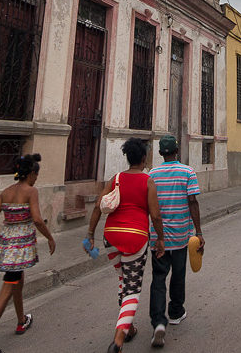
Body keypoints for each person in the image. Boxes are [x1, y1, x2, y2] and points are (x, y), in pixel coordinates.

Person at [86, 138, 165, 353]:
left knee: (123, 278)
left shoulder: (116, 178)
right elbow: (156, 216)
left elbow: (97, 206)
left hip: (110, 238)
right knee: (133, 287)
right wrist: (161, 239)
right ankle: (118, 339)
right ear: (142, 158)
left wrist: (90, 234)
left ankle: (128, 329)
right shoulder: (147, 182)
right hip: (135, 238)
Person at [0, 153, 56, 353]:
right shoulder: (31, 191)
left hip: (6, 246)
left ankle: (21, 320)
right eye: (36, 174)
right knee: (9, 287)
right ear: (31, 174)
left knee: (17, 281)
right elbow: (36, 219)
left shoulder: (6, 192)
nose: (37, 178)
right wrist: (50, 237)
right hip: (19, 249)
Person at [148, 135, 204, 349]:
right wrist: (198, 232)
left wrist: (150, 233)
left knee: (158, 278)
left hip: (158, 237)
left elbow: (150, 206)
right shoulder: (187, 172)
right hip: (181, 236)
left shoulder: (152, 174)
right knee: (178, 275)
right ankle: (175, 312)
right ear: (177, 151)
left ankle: (158, 322)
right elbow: (193, 201)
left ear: (161, 153)